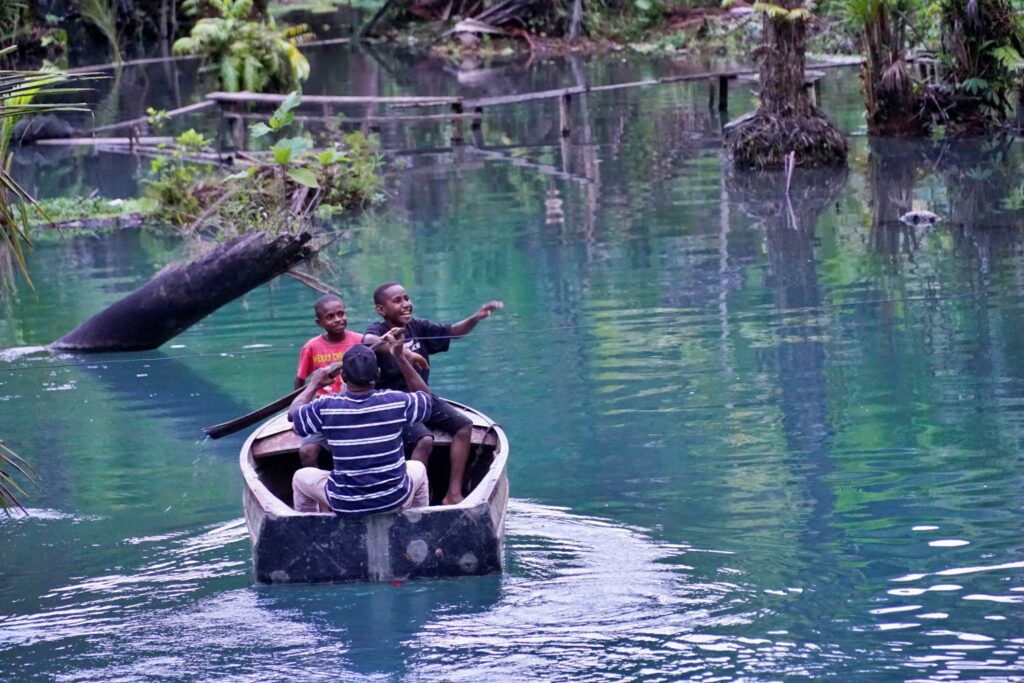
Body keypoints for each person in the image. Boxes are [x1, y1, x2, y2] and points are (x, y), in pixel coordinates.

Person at [363, 281, 503, 505]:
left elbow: (453, 332)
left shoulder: (418, 327)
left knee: (463, 425)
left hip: (422, 397)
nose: (406, 304)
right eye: (397, 301)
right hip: (395, 404)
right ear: (381, 310)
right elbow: (369, 342)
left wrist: (476, 318)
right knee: (424, 440)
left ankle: (453, 494)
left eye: (407, 298)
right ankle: (417, 500)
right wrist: (403, 352)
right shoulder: (379, 331)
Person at [289, 334, 433, 515]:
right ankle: (417, 523)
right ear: (378, 373)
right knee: (418, 468)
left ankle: (309, 528)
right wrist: (400, 358)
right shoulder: (396, 401)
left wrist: (314, 384)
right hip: (395, 498)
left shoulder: (325, 407)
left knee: (300, 478)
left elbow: (294, 415)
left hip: (345, 503)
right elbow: (426, 399)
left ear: (342, 376)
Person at [293, 294, 363, 467]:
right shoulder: (311, 346)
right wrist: (300, 412)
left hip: (356, 404)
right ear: (319, 323)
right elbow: (300, 379)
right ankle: (312, 491)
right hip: (324, 409)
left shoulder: (360, 340)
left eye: (341, 314)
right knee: (306, 452)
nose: (338, 319)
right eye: (330, 317)